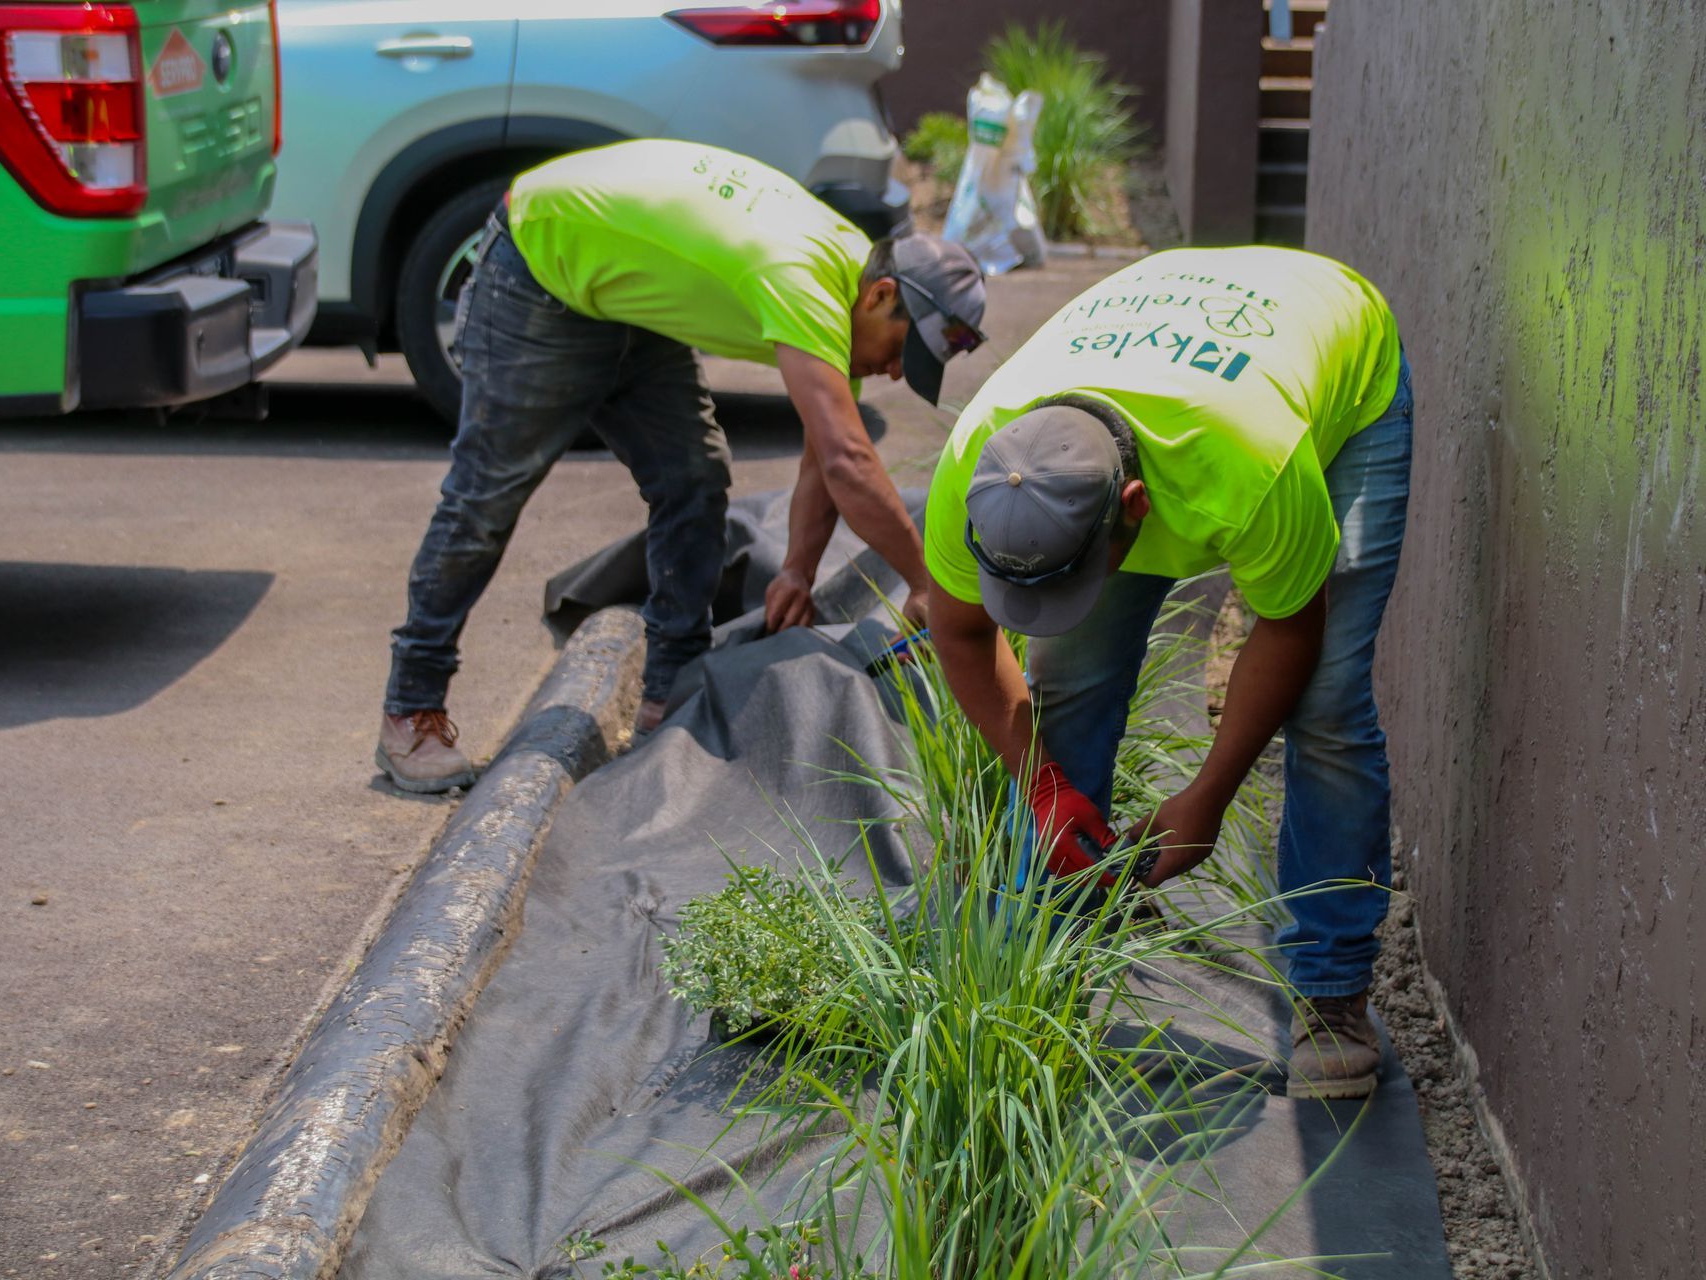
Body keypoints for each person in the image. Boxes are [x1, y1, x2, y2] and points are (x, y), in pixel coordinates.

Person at [922, 246, 1411, 1100]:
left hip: (1334, 363)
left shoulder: (1247, 466)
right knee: (1067, 684)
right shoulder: (983, 466)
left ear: (1134, 515)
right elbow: (961, 635)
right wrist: (1043, 789)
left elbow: (1289, 626)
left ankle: (1331, 990)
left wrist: (1208, 798)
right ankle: (1043, 958)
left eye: (1075, 579)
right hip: (1155, 348)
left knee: (1328, 703)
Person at [376, 139, 987, 793]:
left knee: (694, 478)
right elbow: (847, 460)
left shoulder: (849, 282)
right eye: (900, 352)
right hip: (540, 268)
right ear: (881, 295)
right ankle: (410, 710)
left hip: (627, 290)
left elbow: (824, 455)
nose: (895, 372)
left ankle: (670, 696)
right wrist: (930, 582)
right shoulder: (802, 276)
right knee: (485, 500)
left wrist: (798, 572)